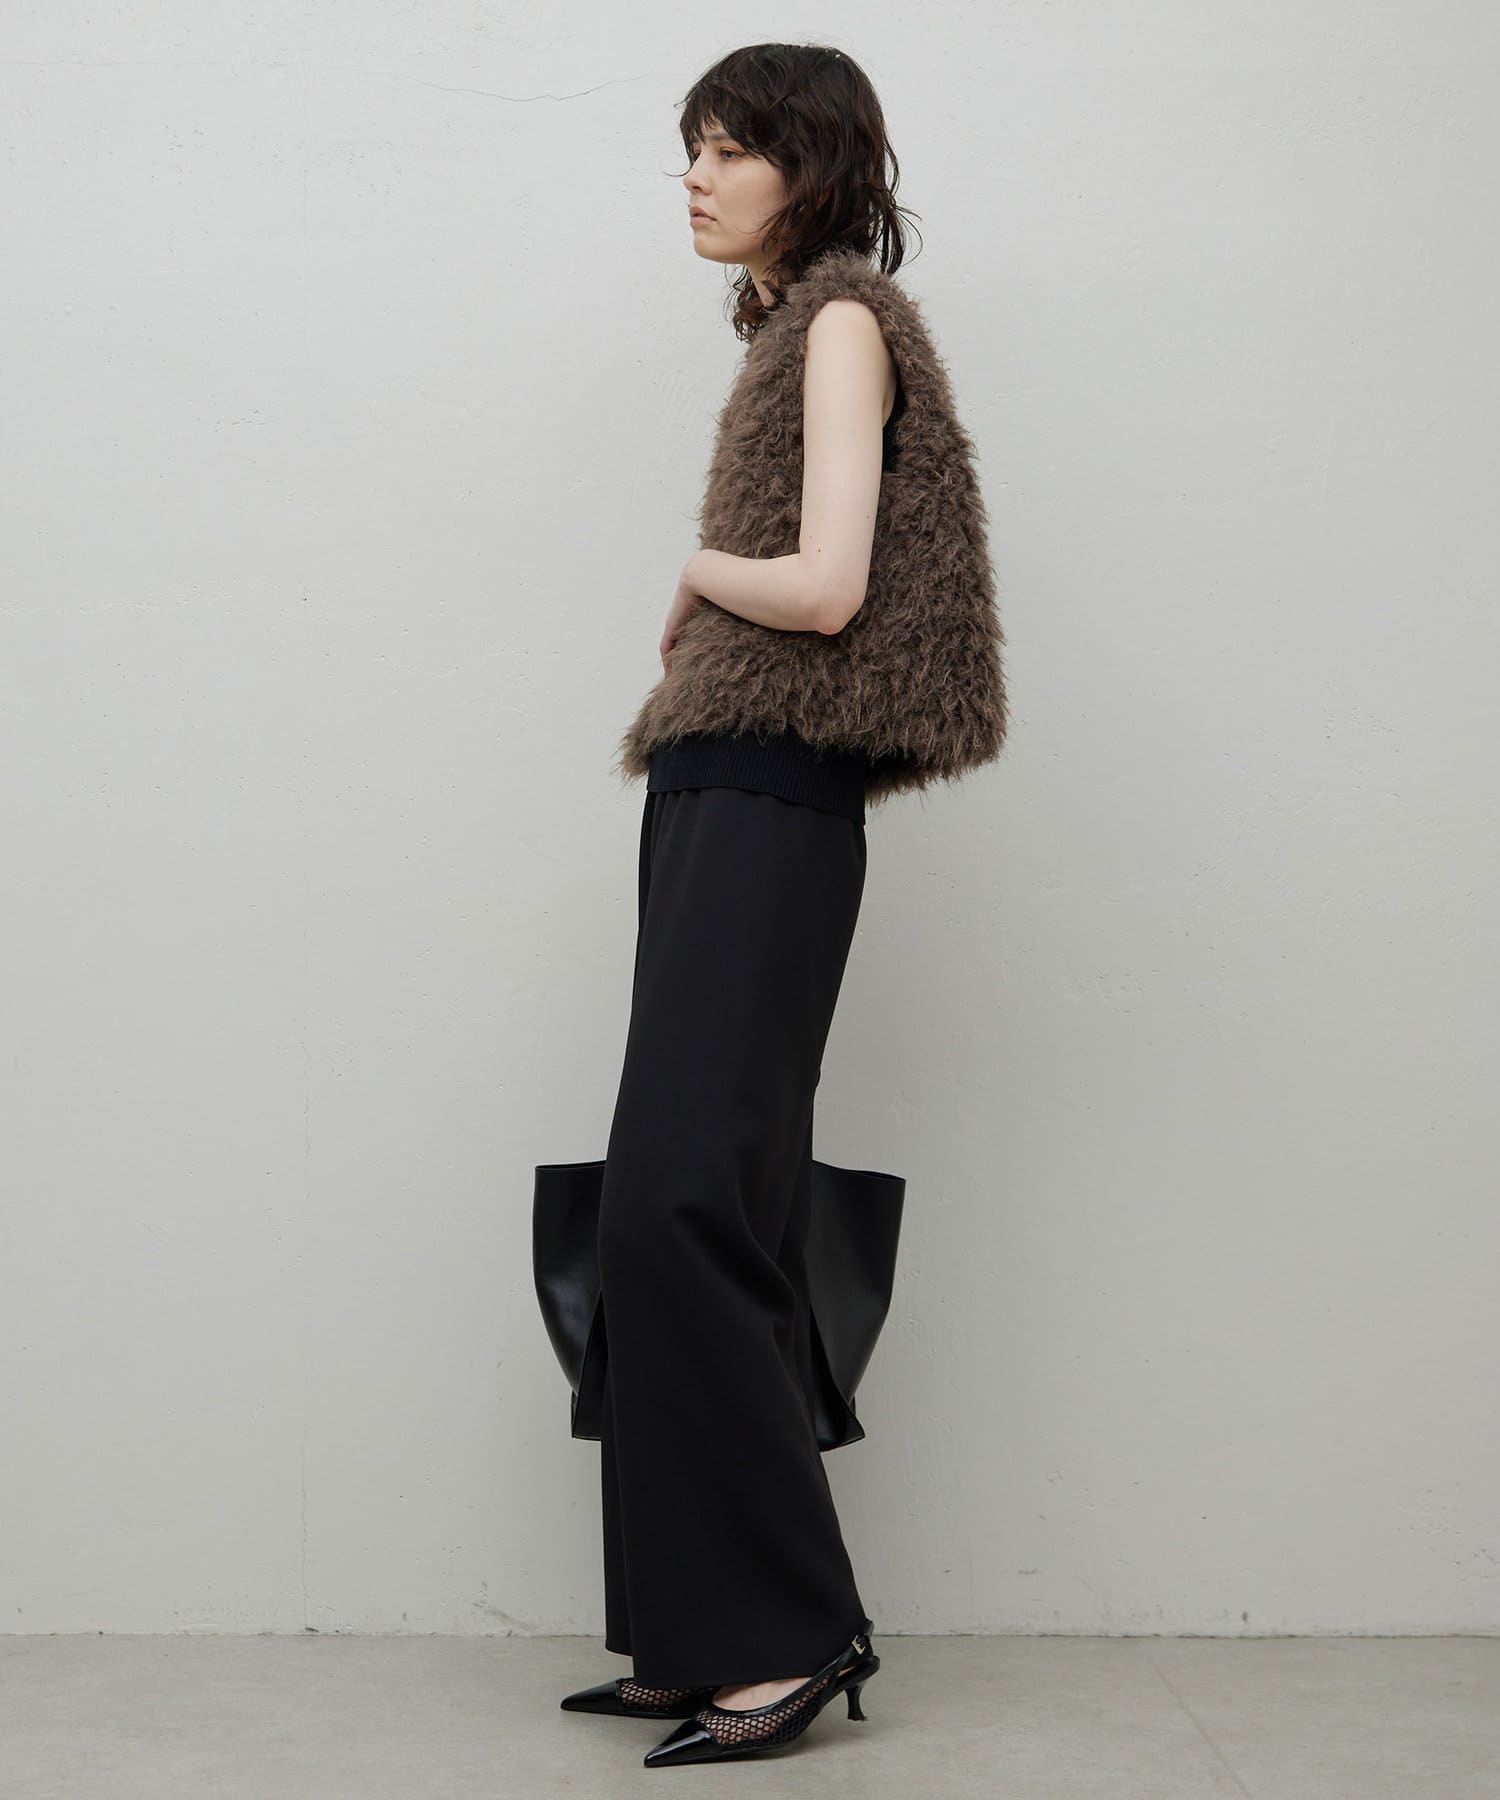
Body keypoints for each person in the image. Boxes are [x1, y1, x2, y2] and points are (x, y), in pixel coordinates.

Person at [557, 42, 1009, 1769]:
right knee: (680, 1197)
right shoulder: (788, 331)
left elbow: (825, 588)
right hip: (716, 786)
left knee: (689, 1198)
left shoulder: (840, 321)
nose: (695, 176)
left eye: (729, 147)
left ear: (809, 167)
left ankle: (791, 1633)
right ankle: (698, 1630)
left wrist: (692, 567)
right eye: (691, 147)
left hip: (766, 789)